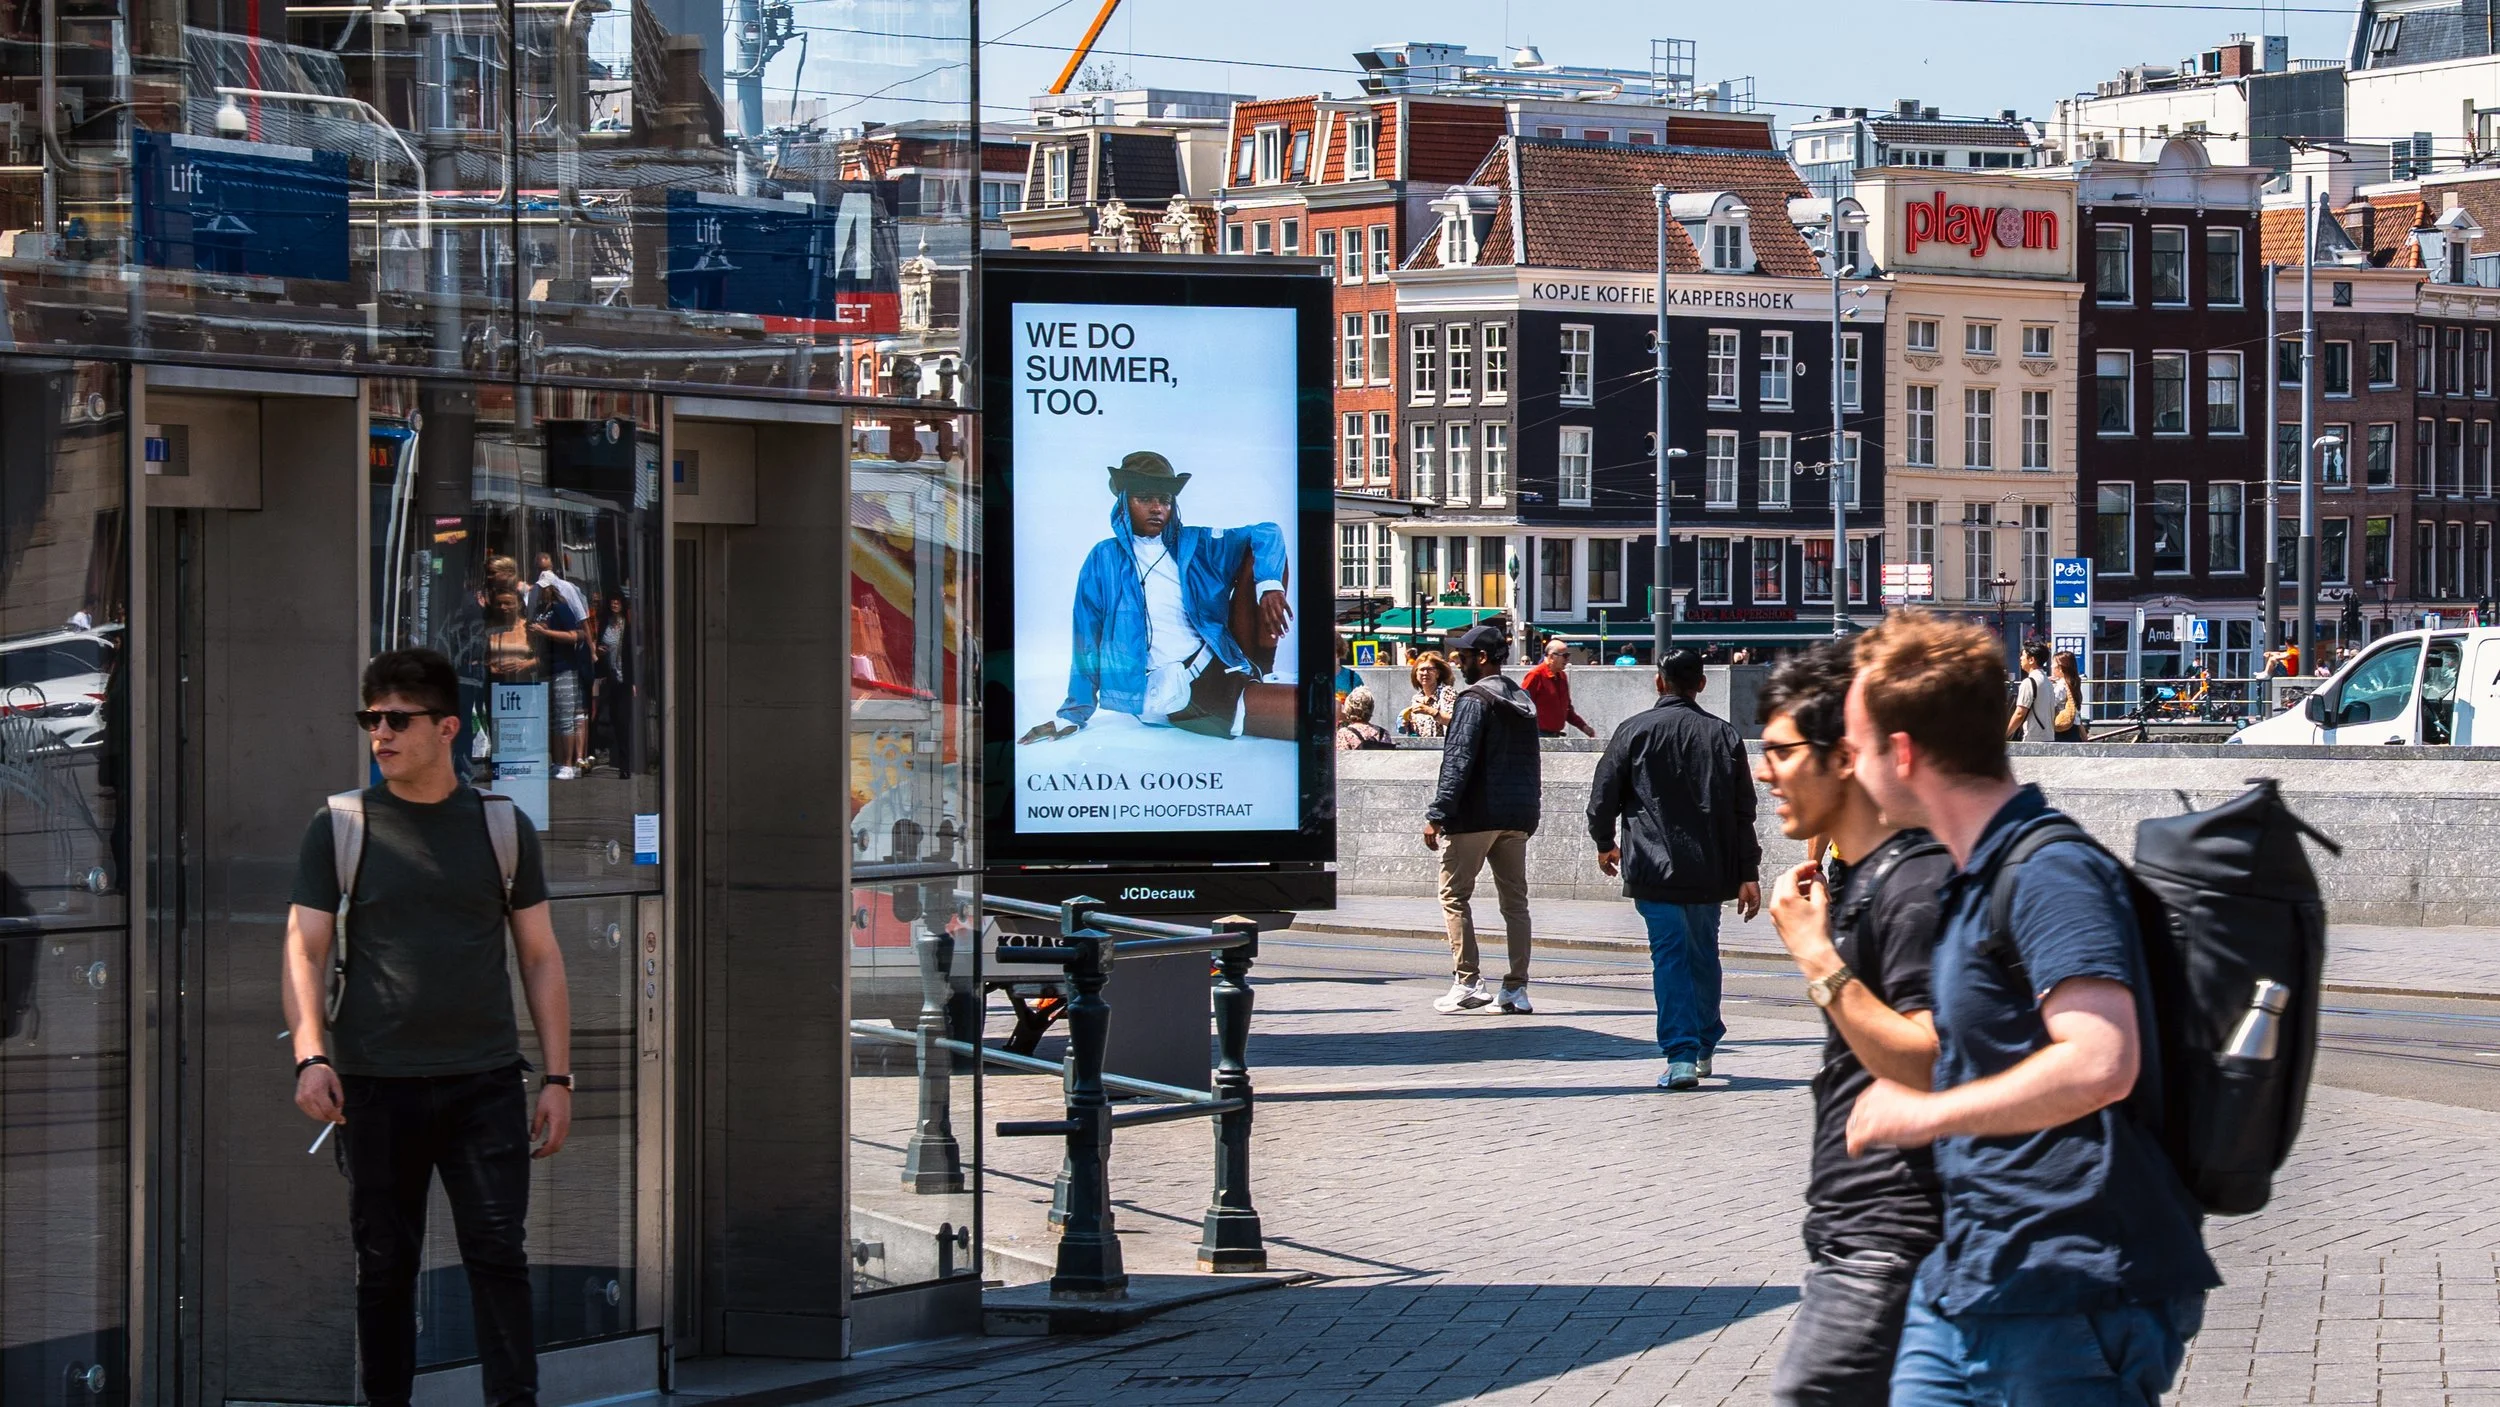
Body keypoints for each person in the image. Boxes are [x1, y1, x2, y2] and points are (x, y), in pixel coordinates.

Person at [1838, 612, 2217, 1405]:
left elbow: (2100, 1059)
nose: (1849, 767)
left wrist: (1924, 1114)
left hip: (2072, 1285)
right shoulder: (1975, 873)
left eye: (1857, 747)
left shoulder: (2050, 871)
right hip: (1975, 1274)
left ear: (1902, 754)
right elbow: (1991, 1037)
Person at [282, 649, 571, 1407]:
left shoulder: (502, 827)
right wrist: (312, 1054)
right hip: (376, 1086)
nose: (380, 732)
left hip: (484, 1085)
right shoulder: (340, 825)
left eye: (397, 718)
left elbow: (540, 957)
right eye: (370, 717)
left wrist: (559, 1077)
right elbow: (303, 946)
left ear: (447, 727)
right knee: (383, 1267)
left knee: (499, 1258)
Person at [1755, 643, 1950, 1405]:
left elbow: (1930, 1058)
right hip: (1857, 1231)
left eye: (1779, 751)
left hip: (1892, 1239)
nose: (1764, 771)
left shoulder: (1917, 885)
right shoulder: (1869, 879)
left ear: (1843, 757)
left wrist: (1815, 955)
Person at [1021, 450, 1293, 744]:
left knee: (1262, 557)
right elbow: (1086, 638)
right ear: (1124, 501)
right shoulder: (1104, 558)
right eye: (1145, 498)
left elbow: (1267, 532)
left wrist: (1269, 586)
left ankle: (1262, 670)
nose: (1157, 508)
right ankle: (1244, 691)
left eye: (1165, 500)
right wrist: (1073, 713)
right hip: (1181, 688)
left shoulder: (1196, 543)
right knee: (1313, 711)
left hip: (1221, 662)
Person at [1586, 647, 1761, 1089]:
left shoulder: (1634, 730)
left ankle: (1681, 1054)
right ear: (1702, 684)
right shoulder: (1724, 736)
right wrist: (1748, 873)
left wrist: (1606, 843)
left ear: (1658, 682)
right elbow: (1744, 811)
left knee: (1670, 958)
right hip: (1710, 868)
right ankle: (1704, 1043)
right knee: (1703, 954)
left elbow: (1602, 795)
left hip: (1652, 865)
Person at [1423, 622, 1540, 1015]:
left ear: (1483, 659)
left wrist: (1438, 814)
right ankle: (1516, 988)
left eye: (1465, 655)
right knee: (1515, 903)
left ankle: (1467, 982)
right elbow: (1531, 764)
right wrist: (1530, 812)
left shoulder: (1473, 700)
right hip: (1516, 816)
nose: (1458, 660)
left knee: (1453, 895)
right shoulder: (1522, 700)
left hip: (1475, 815)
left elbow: (1458, 759)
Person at [1522, 638, 1597, 738]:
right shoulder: (1535, 675)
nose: (1567, 659)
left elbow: (1567, 709)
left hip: (1554, 736)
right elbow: (1522, 706)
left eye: (1568, 655)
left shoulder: (1562, 677)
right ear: (1552, 656)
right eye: (1565, 656)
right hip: (1537, 735)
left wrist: (1583, 727)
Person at [2005, 642, 2056, 743]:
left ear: (2031, 660)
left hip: (2032, 737)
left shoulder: (2029, 682)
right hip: (2048, 736)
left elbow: (2020, 713)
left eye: (2023, 655)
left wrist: (2005, 735)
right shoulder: (2047, 681)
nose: (2020, 659)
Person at [1400, 651, 1456, 738]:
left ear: (1437, 674)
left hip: (1442, 748)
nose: (1425, 673)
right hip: (1423, 748)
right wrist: (1408, 725)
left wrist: (1431, 712)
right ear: (1416, 674)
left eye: (1430, 669)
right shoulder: (1417, 698)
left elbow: (1456, 722)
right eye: (1422, 669)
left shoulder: (1447, 692)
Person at [1336, 686, 1394, 751]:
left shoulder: (1344, 733)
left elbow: (1341, 758)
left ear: (1348, 709)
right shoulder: (1383, 733)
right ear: (1371, 708)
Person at [2050, 649, 2089, 743]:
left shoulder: (2061, 685)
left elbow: (2050, 703)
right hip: (2073, 728)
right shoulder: (2072, 683)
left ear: (2061, 668)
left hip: (2063, 729)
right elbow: (2077, 714)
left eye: (2053, 663)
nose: (2051, 666)